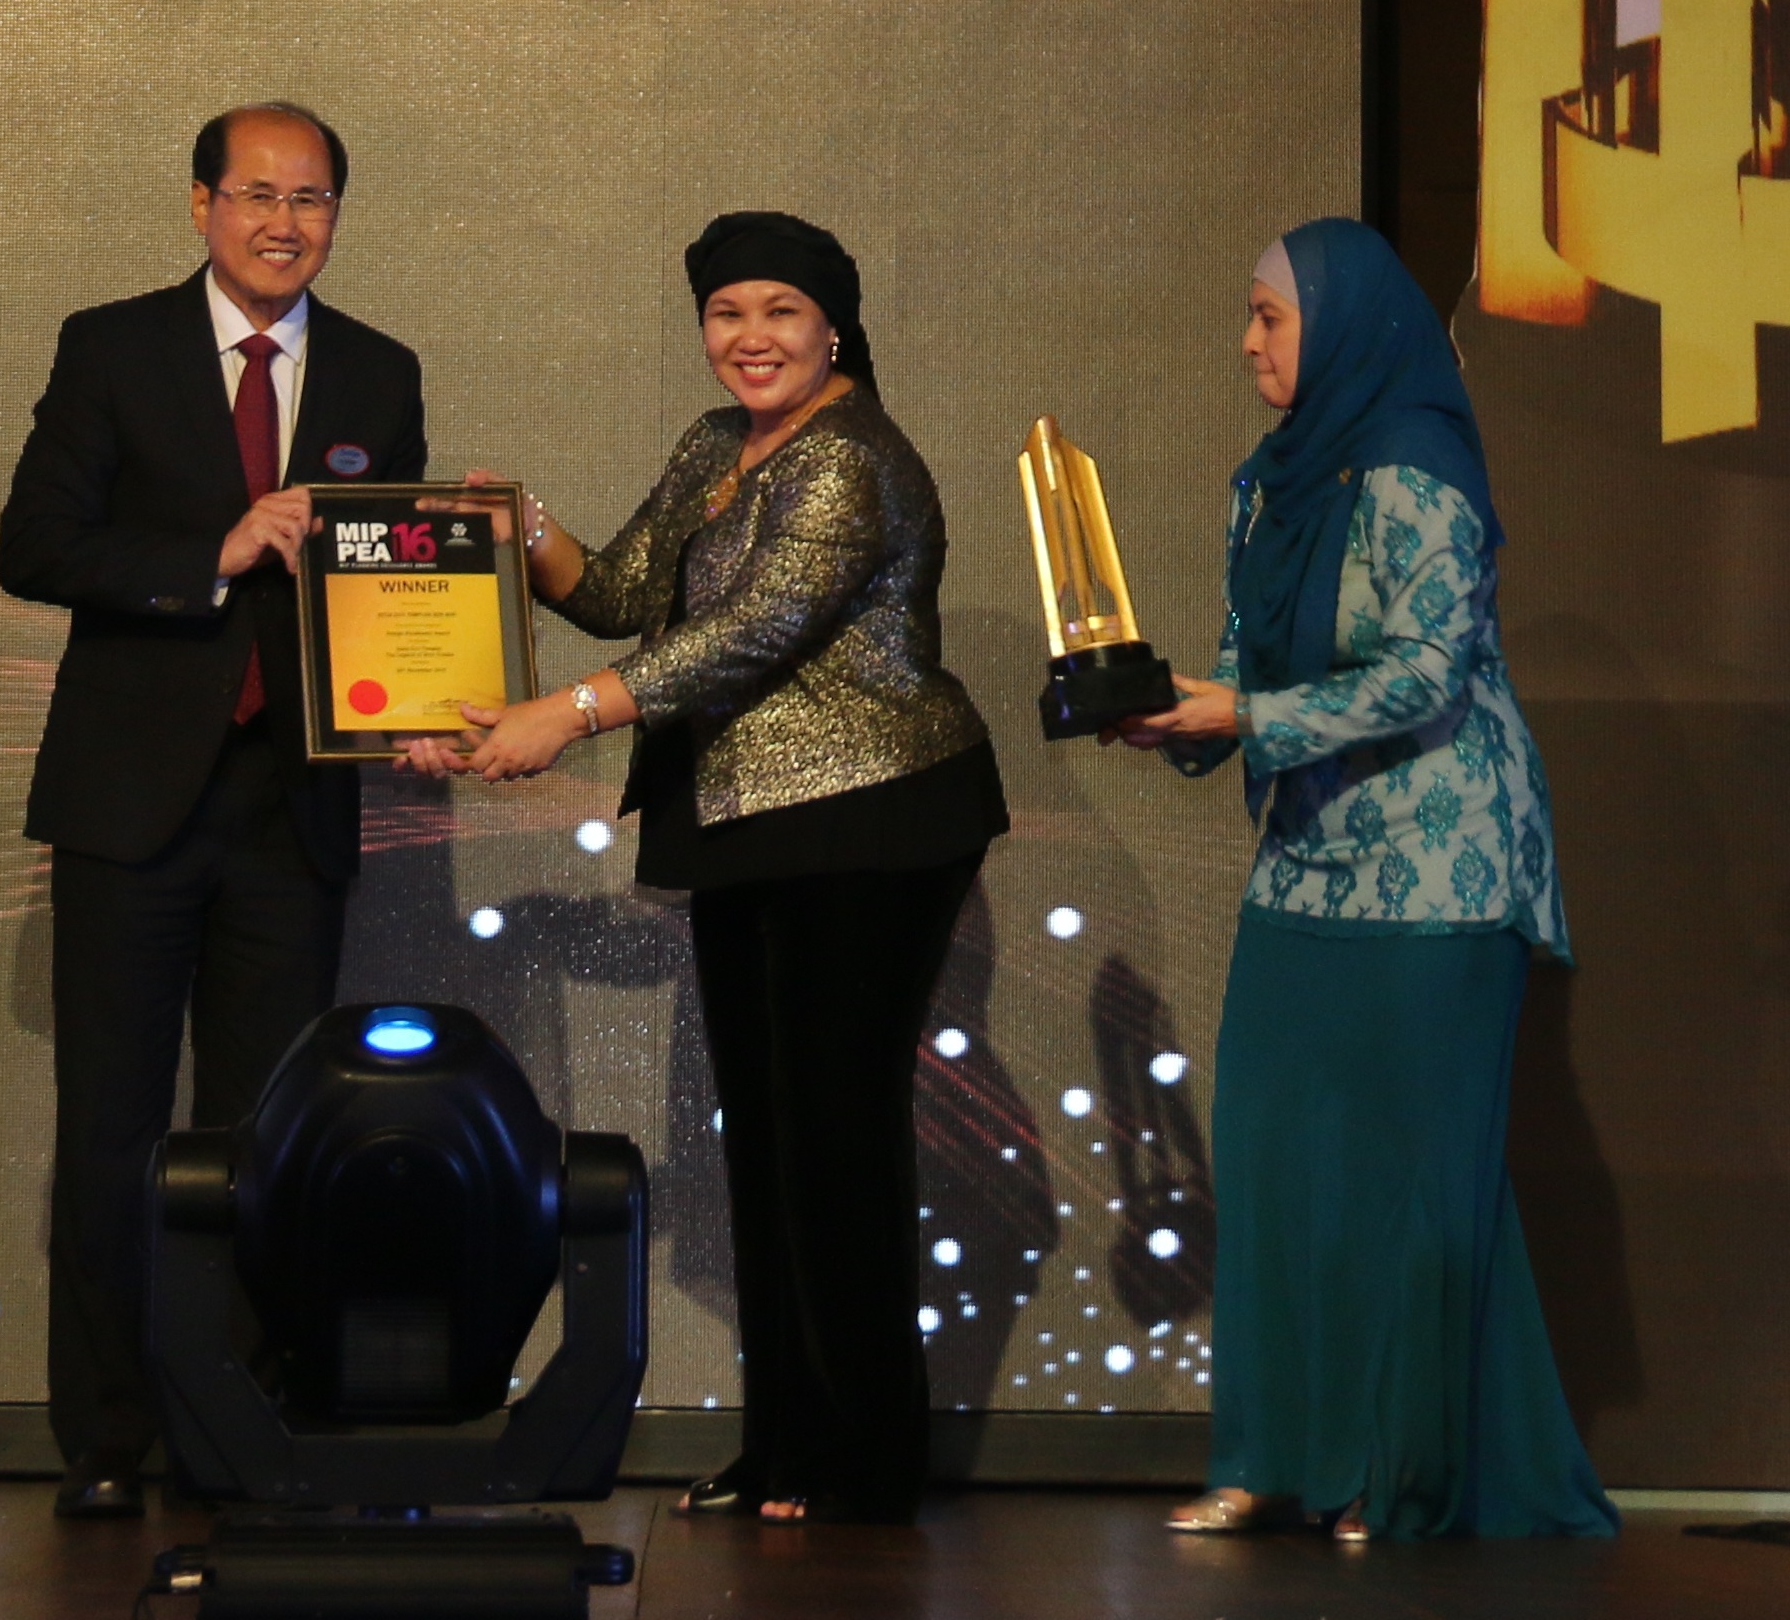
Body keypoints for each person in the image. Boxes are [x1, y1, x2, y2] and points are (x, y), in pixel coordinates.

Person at [403, 212, 1007, 1523]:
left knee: (834, 1144)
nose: (751, 338)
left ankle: (861, 1459)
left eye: (780, 313)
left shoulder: (855, 459)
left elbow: (748, 634)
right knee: (771, 1142)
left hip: (873, 817)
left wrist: (559, 717)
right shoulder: (715, 443)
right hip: (749, 818)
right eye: (727, 314)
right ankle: (787, 1445)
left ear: (834, 328)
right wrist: (523, 528)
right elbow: (627, 590)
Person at [1114, 218, 1616, 1542]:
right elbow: (1250, 667)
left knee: (1410, 1179)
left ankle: (1399, 1473)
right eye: (1251, 314)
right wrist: (1169, 717)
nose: (1248, 343)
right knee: (1279, 1157)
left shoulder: (1417, 467)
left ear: (1341, 324)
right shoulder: (1267, 482)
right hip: (1313, 859)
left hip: (1442, 859)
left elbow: (1424, 672)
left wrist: (1244, 717)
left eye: (1270, 318)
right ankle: (1273, 1457)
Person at [0, 103, 427, 1518]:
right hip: (132, 799)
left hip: (292, 802)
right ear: (198, 204)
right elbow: (37, 545)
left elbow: (390, 581)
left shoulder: (377, 368)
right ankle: (109, 1439)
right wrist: (216, 550)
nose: (283, 223)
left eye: (312, 199)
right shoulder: (108, 344)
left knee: (264, 1137)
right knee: (112, 1127)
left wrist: (424, 686)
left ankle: (234, 1429)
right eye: (256, 194)